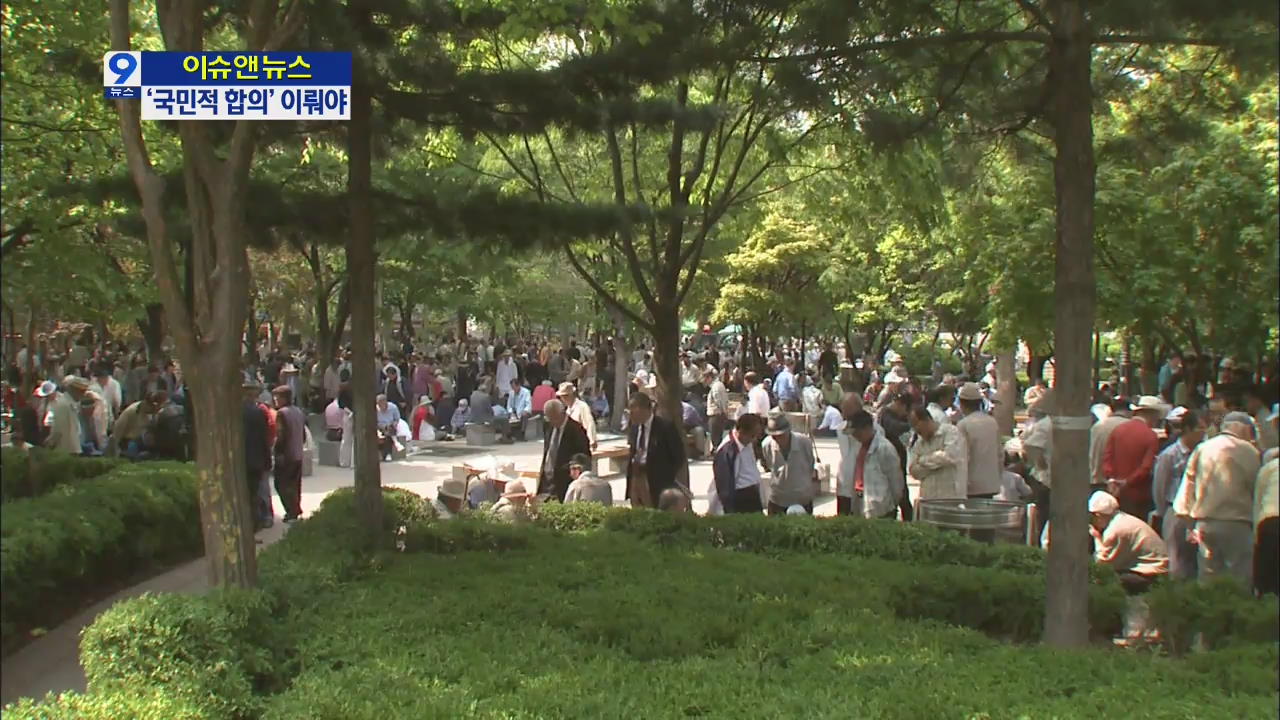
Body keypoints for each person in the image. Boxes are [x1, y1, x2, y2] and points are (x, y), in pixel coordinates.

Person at [1172, 412, 1262, 587]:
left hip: (1205, 522)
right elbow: (1256, 488)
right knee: (1240, 579)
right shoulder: (1249, 451)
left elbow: (1188, 487)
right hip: (1237, 522)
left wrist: (1189, 523)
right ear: (1243, 428)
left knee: (1208, 578)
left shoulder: (1202, 448)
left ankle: (1207, 613)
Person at [1150, 409, 1206, 580]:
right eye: (1199, 429)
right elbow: (1160, 486)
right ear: (1187, 429)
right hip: (1174, 511)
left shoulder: (1203, 453)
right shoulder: (1169, 455)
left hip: (1196, 512)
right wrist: (1162, 511)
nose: (1203, 433)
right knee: (1176, 559)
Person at [1081, 491, 1169, 596]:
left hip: (1150, 575)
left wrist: (1096, 538)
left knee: (1101, 581)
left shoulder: (1115, 530)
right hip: (1157, 570)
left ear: (1097, 515)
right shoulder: (1122, 519)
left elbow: (1103, 565)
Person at [1103, 395, 1168, 519]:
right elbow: (1146, 467)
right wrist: (1127, 482)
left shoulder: (1118, 430)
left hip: (1115, 491)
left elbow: (1107, 458)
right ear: (1151, 414)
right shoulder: (1150, 436)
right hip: (1139, 495)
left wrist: (1112, 480)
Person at [625, 392, 688, 508]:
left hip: (656, 480)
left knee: (654, 511)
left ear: (643, 409)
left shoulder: (665, 427)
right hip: (636, 476)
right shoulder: (634, 428)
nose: (630, 414)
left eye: (632, 409)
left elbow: (679, 456)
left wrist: (666, 476)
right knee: (638, 511)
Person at [838, 409, 903, 519]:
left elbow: (896, 482)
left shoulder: (885, 448)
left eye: (857, 433)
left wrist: (890, 505)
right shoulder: (859, 447)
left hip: (882, 510)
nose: (855, 437)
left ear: (867, 428)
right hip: (861, 505)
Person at [760, 411, 817, 515]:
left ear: (788, 431)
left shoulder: (804, 442)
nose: (777, 439)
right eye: (773, 436)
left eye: (780, 435)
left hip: (802, 498)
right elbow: (769, 464)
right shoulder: (766, 444)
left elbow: (810, 464)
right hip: (778, 499)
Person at [908, 405, 968, 501]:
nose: (916, 429)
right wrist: (937, 464)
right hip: (929, 499)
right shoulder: (919, 443)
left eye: (916, 424)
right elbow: (914, 471)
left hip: (951, 497)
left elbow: (948, 457)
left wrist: (922, 460)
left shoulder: (950, 432)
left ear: (927, 419)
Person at [712, 412, 767, 514]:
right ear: (740, 431)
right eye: (752, 435)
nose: (754, 440)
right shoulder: (727, 450)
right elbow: (724, 485)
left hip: (753, 494)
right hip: (740, 498)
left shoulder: (747, 443)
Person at [536, 399, 591, 502]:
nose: (552, 422)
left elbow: (584, 457)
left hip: (564, 482)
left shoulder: (576, 430)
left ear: (562, 413)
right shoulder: (549, 426)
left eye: (555, 418)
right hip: (547, 481)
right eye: (550, 418)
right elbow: (548, 450)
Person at [956, 382, 1001, 500]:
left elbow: (963, 455)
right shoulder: (992, 422)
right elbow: (1000, 454)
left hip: (971, 484)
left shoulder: (963, 424)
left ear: (962, 403)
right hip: (990, 482)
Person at [272, 386, 306, 522]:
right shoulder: (298, 411)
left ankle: (291, 511)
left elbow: (281, 436)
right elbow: (303, 435)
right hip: (298, 454)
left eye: (277, 398)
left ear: (284, 398)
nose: (275, 401)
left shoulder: (282, 413)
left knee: (281, 484)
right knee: (295, 484)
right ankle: (295, 509)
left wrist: (277, 452)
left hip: (286, 456)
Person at [243, 383, 274, 529]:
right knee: (257, 491)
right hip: (256, 459)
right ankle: (259, 521)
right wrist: (267, 458)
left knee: (249, 493)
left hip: (243, 460)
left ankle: (253, 522)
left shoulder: (236, 412)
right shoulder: (258, 412)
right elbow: (264, 438)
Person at [1090, 397, 1134, 490]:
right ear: (1129, 411)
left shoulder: (1097, 426)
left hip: (1095, 479)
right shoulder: (1129, 426)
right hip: (1118, 482)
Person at [557, 382, 598, 451]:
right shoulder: (567, 409)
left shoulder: (582, 407)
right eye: (562, 397)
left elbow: (589, 423)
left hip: (581, 442)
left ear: (572, 395)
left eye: (566, 396)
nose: (563, 399)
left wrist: (592, 440)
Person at [703, 368, 729, 449]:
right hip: (718, 415)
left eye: (705, 379)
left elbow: (719, 400)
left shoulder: (716, 386)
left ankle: (716, 453)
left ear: (710, 377)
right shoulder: (718, 385)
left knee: (715, 438)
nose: (704, 381)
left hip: (716, 415)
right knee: (717, 437)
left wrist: (723, 412)